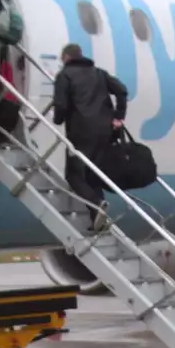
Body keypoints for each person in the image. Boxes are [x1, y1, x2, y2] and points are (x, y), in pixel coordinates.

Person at [51, 42, 128, 219]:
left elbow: (61, 104)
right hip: (105, 132)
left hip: (80, 133)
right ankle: (97, 218)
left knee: (74, 175)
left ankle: (97, 204)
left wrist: (58, 119)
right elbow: (122, 91)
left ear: (66, 58)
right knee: (93, 174)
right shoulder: (99, 73)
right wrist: (118, 116)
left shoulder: (65, 75)